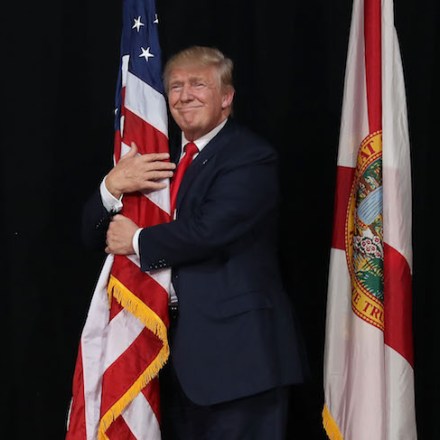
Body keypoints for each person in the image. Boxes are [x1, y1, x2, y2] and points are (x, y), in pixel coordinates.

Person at [82, 45, 306, 440]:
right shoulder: (156, 162)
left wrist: (136, 239)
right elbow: (92, 236)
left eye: (198, 84)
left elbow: (210, 231)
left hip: (238, 363)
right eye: (176, 86)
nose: (185, 95)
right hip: (170, 362)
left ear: (226, 97)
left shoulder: (249, 156)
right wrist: (111, 186)